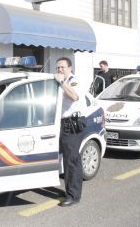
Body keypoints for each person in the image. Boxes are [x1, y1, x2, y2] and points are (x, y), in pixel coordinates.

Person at [54, 57, 86, 207]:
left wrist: (61, 82)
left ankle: (73, 195)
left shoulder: (73, 81)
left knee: (71, 160)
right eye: (58, 68)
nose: (60, 70)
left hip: (71, 124)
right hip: (60, 123)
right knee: (67, 159)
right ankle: (71, 190)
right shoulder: (59, 83)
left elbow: (74, 96)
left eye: (62, 67)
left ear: (70, 68)